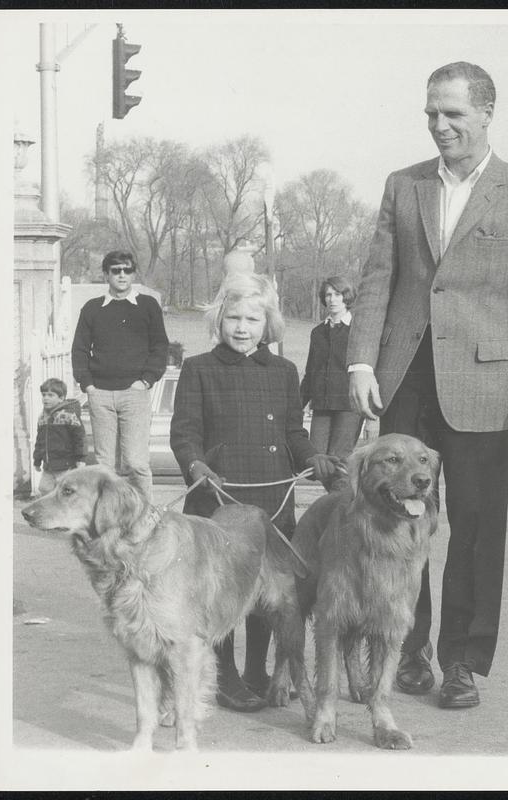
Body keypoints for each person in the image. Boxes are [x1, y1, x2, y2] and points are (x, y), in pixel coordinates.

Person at [347, 61, 508, 709]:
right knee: (397, 523)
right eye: (431, 115)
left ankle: (463, 660)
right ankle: (404, 648)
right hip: (405, 381)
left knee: (474, 527)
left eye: (453, 114)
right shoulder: (403, 186)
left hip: (486, 387)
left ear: (487, 113)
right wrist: (361, 363)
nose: (440, 126)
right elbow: (377, 281)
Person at [170, 272, 339, 713]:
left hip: (271, 496)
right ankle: (224, 676)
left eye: (253, 319)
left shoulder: (283, 372)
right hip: (218, 498)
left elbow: (291, 432)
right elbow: (184, 433)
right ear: (218, 319)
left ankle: (256, 668)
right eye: (233, 318)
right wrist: (196, 465)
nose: (242, 328)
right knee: (223, 590)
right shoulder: (198, 369)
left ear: (269, 325)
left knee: (269, 590)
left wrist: (311, 458)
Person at [71, 250, 169, 501]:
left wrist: (145, 380)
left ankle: (145, 515)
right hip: (100, 394)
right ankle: (108, 515)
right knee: (104, 465)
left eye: (127, 270)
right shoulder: (92, 308)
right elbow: (80, 349)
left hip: (133, 394)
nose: (122, 275)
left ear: (133, 273)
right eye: (116, 270)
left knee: (136, 463)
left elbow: (160, 347)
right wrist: (88, 385)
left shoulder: (147, 305)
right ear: (106, 274)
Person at [300, 276, 364, 491]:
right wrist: (296, 404)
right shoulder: (317, 333)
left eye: (337, 294)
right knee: (318, 462)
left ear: (346, 297)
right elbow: (311, 372)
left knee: (339, 460)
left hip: (349, 406)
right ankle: (339, 500)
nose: (332, 299)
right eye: (328, 295)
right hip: (321, 405)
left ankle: (344, 504)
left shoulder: (358, 330)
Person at [33, 378, 86, 495]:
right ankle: (49, 513)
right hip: (48, 466)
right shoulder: (42, 417)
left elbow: (79, 437)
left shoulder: (68, 415)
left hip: (65, 465)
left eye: (51, 395)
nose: (45, 398)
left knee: (65, 492)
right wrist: (37, 460)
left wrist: (80, 458)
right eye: (44, 395)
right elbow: (39, 441)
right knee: (44, 489)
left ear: (61, 398)